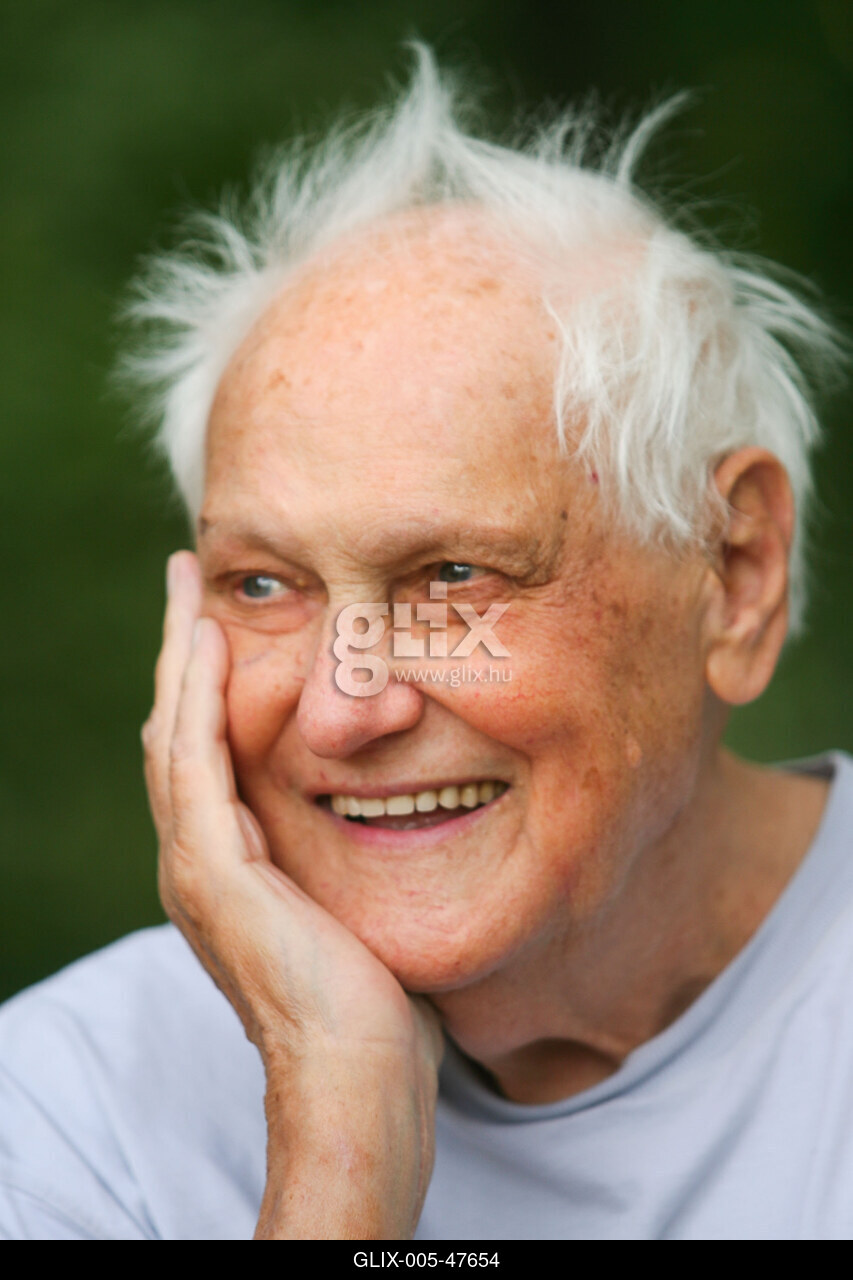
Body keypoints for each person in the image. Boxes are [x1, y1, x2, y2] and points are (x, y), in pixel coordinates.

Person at [0, 46, 850, 1240]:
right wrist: (337, 1135)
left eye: (452, 574)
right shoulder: (72, 1110)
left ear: (733, 572)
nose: (342, 708)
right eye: (264, 583)